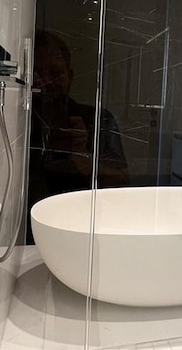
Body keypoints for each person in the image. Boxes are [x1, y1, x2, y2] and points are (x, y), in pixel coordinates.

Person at [27, 31, 129, 239]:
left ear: (70, 76)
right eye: (39, 73)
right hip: (30, 228)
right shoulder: (16, 121)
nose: (47, 82)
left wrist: (82, 156)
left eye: (54, 73)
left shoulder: (98, 119)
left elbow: (122, 187)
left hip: (86, 227)